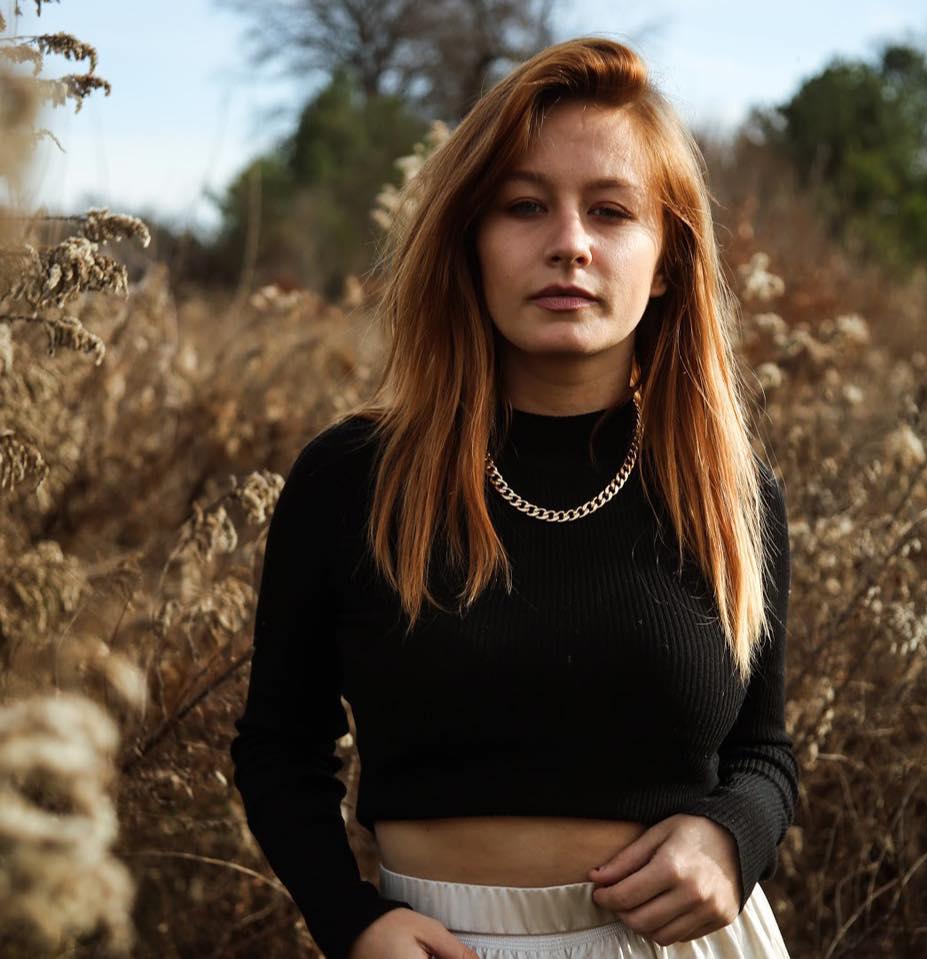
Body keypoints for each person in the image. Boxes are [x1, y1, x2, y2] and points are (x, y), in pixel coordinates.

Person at [230, 35, 798, 959]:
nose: (569, 243)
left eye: (611, 211)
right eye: (525, 206)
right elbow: (279, 747)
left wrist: (733, 836)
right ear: (471, 243)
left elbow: (764, 752)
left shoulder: (727, 491)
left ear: (666, 260)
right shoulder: (353, 479)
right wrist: (351, 920)